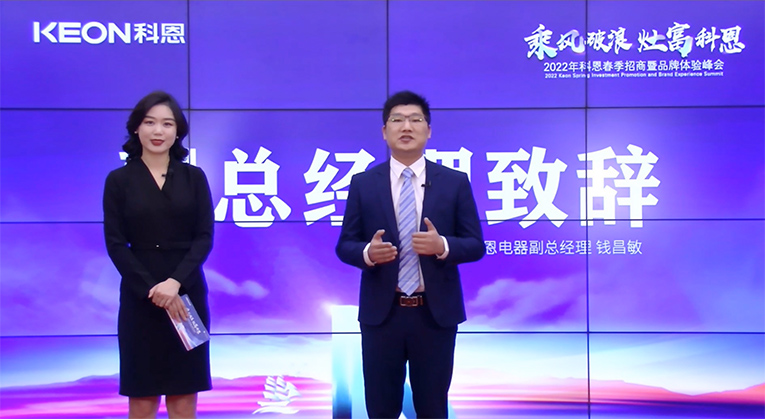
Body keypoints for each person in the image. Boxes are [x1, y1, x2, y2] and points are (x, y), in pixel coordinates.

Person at [336, 90, 485, 418]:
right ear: (384, 131)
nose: (407, 127)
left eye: (416, 120)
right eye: (397, 120)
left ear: (428, 131)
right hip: (382, 315)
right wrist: (368, 253)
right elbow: (345, 245)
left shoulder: (454, 183)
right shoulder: (363, 184)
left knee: (432, 407)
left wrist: (442, 246)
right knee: (380, 408)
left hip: (434, 314)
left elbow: (475, 244)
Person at [103, 91, 214, 419]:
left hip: (186, 294)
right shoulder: (119, 180)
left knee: (183, 393)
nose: (158, 131)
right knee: (142, 394)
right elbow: (115, 243)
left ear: (177, 131)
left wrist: (175, 283)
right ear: (136, 128)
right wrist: (153, 289)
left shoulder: (194, 177)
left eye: (167, 124)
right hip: (140, 297)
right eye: (150, 122)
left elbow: (204, 237)